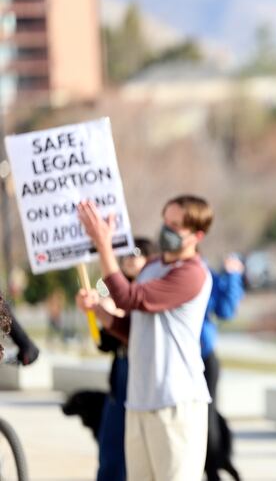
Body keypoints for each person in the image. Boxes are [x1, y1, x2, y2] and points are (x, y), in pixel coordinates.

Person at [76, 195, 213, 481]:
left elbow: (128, 297)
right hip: (139, 402)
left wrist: (103, 244)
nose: (166, 229)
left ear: (197, 235)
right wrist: (98, 310)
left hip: (175, 404)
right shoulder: (151, 267)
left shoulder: (192, 275)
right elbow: (133, 329)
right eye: (166, 221)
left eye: (176, 225)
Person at [94, 237, 156, 481]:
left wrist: (119, 315)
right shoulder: (112, 293)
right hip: (120, 368)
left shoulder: (152, 289)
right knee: (112, 444)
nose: (129, 258)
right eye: (125, 253)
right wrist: (103, 317)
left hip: (145, 372)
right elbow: (104, 345)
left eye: (137, 252)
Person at [202, 254, 245, 481]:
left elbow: (225, 310)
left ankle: (212, 469)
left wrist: (232, 277)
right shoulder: (162, 271)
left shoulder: (205, 274)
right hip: (174, 360)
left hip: (204, 356)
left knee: (207, 417)